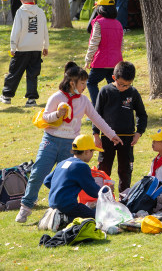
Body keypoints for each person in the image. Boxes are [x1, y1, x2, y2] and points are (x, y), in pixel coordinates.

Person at [16, 62, 122, 224]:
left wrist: (111, 134)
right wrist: (57, 114)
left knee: (68, 177)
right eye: (82, 83)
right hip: (50, 141)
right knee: (38, 172)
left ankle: (63, 206)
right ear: (72, 83)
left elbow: (97, 118)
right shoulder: (57, 97)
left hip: (71, 144)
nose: (85, 87)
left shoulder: (84, 101)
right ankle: (26, 207)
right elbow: (45, 118)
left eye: (86, 83)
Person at [92, 61, 148, 192]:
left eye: (128, 85)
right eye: (121, 84)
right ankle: (102, 196)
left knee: (125, 170)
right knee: (104, 169)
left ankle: (124, 198)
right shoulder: (105, 91)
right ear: (114, 78)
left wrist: (139, 132)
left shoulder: (133, 93)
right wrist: (95, 134)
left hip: (127, 139)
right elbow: (96, 114)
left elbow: (142, 114)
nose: (124, 87)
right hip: (107, 138)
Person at [2, 0, 48, 106]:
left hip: (22, 48)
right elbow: (44, 30)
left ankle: (7, 96)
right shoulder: (40, 12)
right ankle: (31, 99)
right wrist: (45, 46)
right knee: (33, 74)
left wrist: (13, 46)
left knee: (15, 72)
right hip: (36, 49)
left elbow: (16, 30)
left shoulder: (20, 12)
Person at [43, 135, 105, 220]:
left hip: (52, 203)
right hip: (68, 205)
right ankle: (63, 219)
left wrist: (61, 189)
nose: (92, 154)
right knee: (97, 217)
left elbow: (47, 180)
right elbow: (92, 190)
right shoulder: (81, 166)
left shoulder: (63, 162)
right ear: (86, 151)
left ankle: (60, 217)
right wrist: (106, 190)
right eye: (92, 151)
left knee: (78, 215)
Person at [85, 0, 124, 105]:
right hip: (116, 62)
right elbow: (121, 45)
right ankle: (113, 109)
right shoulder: (119, 24)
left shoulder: (98, 23)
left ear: (100, 8)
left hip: (100, 61)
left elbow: (94, 43)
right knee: (113, 86)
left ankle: (97, 109)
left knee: (91, 82)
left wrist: (88, 59)